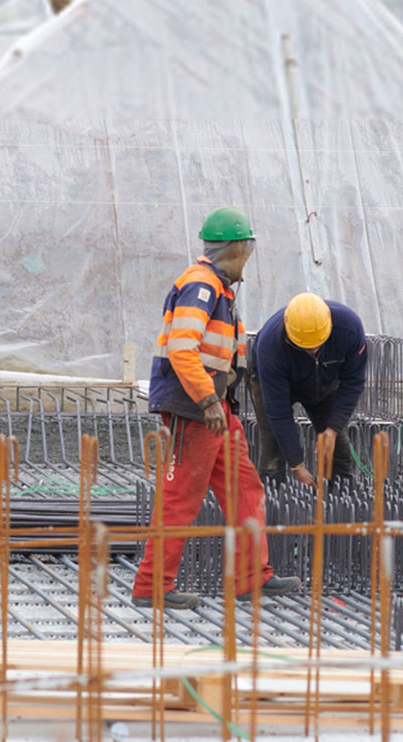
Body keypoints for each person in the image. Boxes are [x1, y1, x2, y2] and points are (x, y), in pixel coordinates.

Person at [132, 206, 302, 610]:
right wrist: (208, 400)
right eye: (248, 249)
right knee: (181, 497)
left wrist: (220, 403)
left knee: (245, 489)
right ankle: (151, 586)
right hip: (196, 409)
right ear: (237, 248)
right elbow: (182, 348)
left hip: (215, 410)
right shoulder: (201, 285)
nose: (249, 258)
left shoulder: (220, 289)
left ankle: (253, 578)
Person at [251, 293, 368, 485]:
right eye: (306, 347)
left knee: (337, 446)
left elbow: (353, 382)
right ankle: (272, 492)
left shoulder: (349, 328)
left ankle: (342, 489)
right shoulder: (271, 347)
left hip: (324, 382)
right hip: (274, 381)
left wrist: (332, 429)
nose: (313, 350)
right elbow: (278, 412)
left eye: (318, 345)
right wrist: (297, 465)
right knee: (274, 445)